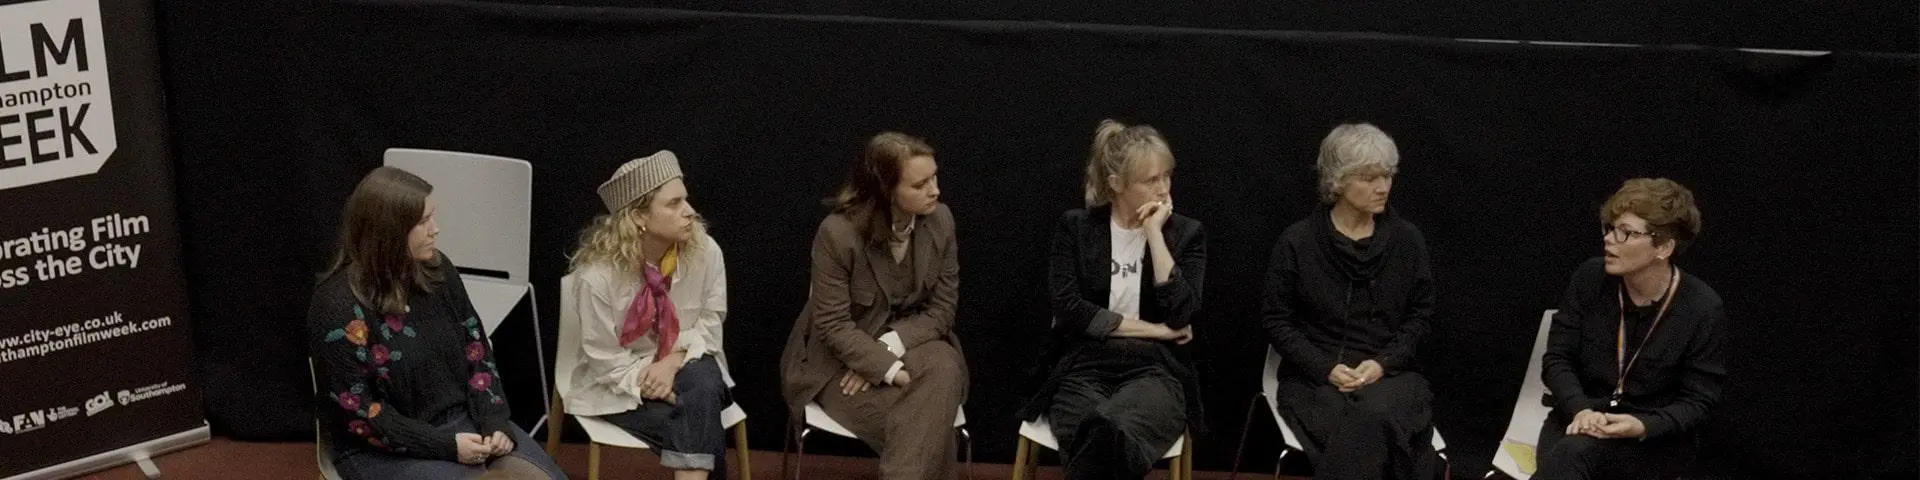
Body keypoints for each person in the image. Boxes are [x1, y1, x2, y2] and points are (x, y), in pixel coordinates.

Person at [308, 166, 565, 479]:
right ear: (388, 231)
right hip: (381, 449)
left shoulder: (437, 271)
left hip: (464, 423)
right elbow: (360, 413)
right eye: (422, 221)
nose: (435, 229)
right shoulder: (337, 306)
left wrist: (494, 420)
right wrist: (446, 445)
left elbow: (477, 351)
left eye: (433, 216)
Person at [1018, 119, 1207, 479]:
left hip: (1156, 370)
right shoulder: (1075, 228)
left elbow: (1181, 312)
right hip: (1083, 365)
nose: (1164, 189)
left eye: (1167, 177)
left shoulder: (1185, 234)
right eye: (1151, 180)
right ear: (1116, 184)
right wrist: (1157, 330)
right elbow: (1070, 310)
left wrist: (1154, 236)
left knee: (1108, 431)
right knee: (1100, 431)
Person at [780, 132, 966, 479]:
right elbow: (833, 325)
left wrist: (887, 351)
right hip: (837, 366)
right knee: (928, 426)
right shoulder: (837, 234)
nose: (935, 191)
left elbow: (942, 310)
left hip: (915, 348)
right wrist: (887, 370)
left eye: (935, 178)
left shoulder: (941, 221)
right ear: (887, 190)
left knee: (945, 362)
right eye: (920, 184)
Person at [1262, 123, 1438, 479]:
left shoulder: (1407, 241)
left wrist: (1382, 363)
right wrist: (1325, 367)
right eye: (1369, 177)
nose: (1383, 187)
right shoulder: (1297, 242)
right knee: (1378, 431)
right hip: (1317, 381)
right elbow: (1277, 320)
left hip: (1393, 377)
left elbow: (1421, 316)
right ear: (1338, 182)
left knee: (1375, 413)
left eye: (1387, 175)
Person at [1535, 178, 1724, 480]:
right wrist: (1581, 410)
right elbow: (1557, 358)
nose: (1609, 239)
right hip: (1577, 420)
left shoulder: (1701, 308)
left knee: (1572, 458)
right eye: (1610, 228)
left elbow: (1698, 400)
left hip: (1650, 439)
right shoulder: (1589, 278)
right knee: (1572, 453)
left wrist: (1642, 426)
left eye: (1626, 233)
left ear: (1663, 246)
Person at [564, 151, 732, 480]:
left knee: (700, 388)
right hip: (621, 384)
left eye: (686, 199)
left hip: (687, 361)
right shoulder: (597, 277)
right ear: (640, 216)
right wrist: (658, 385)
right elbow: (605, 359)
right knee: (701, 410)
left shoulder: (706, 251)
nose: (690, 212)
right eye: (674, 204)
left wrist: (671, 363)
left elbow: (711, 323)